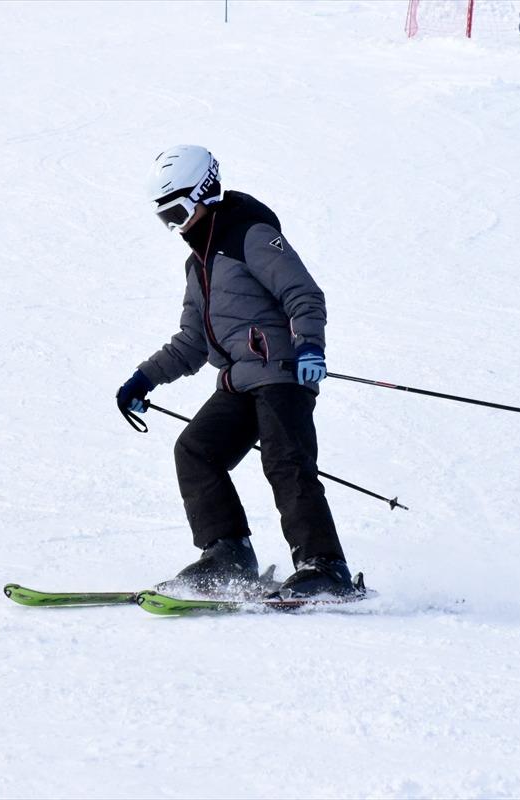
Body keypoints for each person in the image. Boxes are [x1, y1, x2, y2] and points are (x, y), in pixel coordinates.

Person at [116, 145, 356, 599]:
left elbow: (304, 294)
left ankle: (325, 566)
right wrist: (143, 378)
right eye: (165, 218)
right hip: (238, 382)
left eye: (178, 212)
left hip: (282, 375)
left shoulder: (251, 236)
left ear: (204, 192)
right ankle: (227, 553)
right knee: (196, 450)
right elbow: (192, 341)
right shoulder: (199, 263)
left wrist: (309, 347)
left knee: (286, 463)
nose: (175, 225)